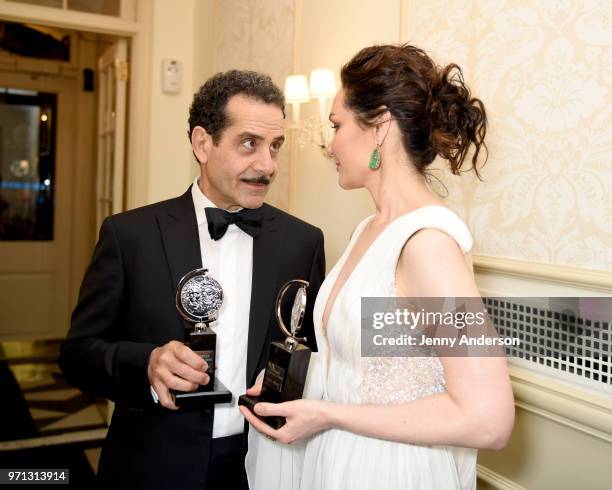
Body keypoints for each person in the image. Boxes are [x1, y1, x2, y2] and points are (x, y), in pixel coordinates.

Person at [241, 44, 515, 490]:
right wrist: (287, 389)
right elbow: (373, 365)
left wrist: (327, 414)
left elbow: (489, 419)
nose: (329, 144)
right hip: (339, 460)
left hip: (391, 471)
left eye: (337, 125)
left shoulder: (426, 244)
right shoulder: (369, 230)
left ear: (380, 126)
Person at [59, 69, 325, 490]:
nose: (268, 166)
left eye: (275, 146)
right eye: (249, 144)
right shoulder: (130, 235)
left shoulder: (303, 242)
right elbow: (78, 354)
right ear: (203, 143)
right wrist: (146, 365)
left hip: (261, 467)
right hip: (150, 466)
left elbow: (308, 348)